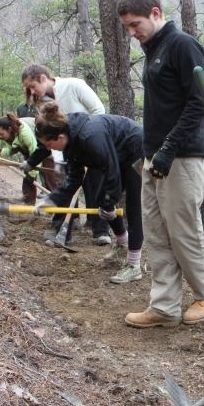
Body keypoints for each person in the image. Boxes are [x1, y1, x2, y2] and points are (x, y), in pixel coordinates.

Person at [117, 0, 204, 327]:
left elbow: (199, 105)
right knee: (157, 233)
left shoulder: (182, 45)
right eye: (128, 28)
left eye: (136, 25)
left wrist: (168, 150)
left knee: (183, 230)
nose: (132, 33)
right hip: (154, 157)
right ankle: (164, 306)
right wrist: (153, 154)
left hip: (181, 158)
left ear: (155, 13)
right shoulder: (153, 49)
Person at [32, 101, 145, 284]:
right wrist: (52, 200)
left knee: (132, 207)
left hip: (136, 149)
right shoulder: (71, 142)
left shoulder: (90, 136)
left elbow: (112, 171)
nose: (48, 148)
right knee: (101, 199)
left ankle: (134, 266)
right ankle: (123, 244)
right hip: (116, 155)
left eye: (49, 143)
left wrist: (109, 203)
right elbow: (74, 178)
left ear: (60, 137)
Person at [20, 64, 111, 245]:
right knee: (67, 188)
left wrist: (89, 142)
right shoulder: (44, 103)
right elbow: (52, 135)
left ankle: (101, 232)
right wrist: (59, 161)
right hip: (69, 151)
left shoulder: (74, 85)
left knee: (97, 187)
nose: (31, 91)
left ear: (43, 78)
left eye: (32, 86)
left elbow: (99, 111)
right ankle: (62, 232)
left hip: (94, 146)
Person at [0, 113, 43, 204]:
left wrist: (33, 173)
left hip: (44, 148)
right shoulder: (11, 134)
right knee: (28, 173)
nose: (0, 136)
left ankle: (56, 206)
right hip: (31, 151)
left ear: (9, 129)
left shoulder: (24, 132)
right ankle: (28, 201)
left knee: (49, 178)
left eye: (1, 133)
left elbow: (35, 151)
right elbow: (11, 149)